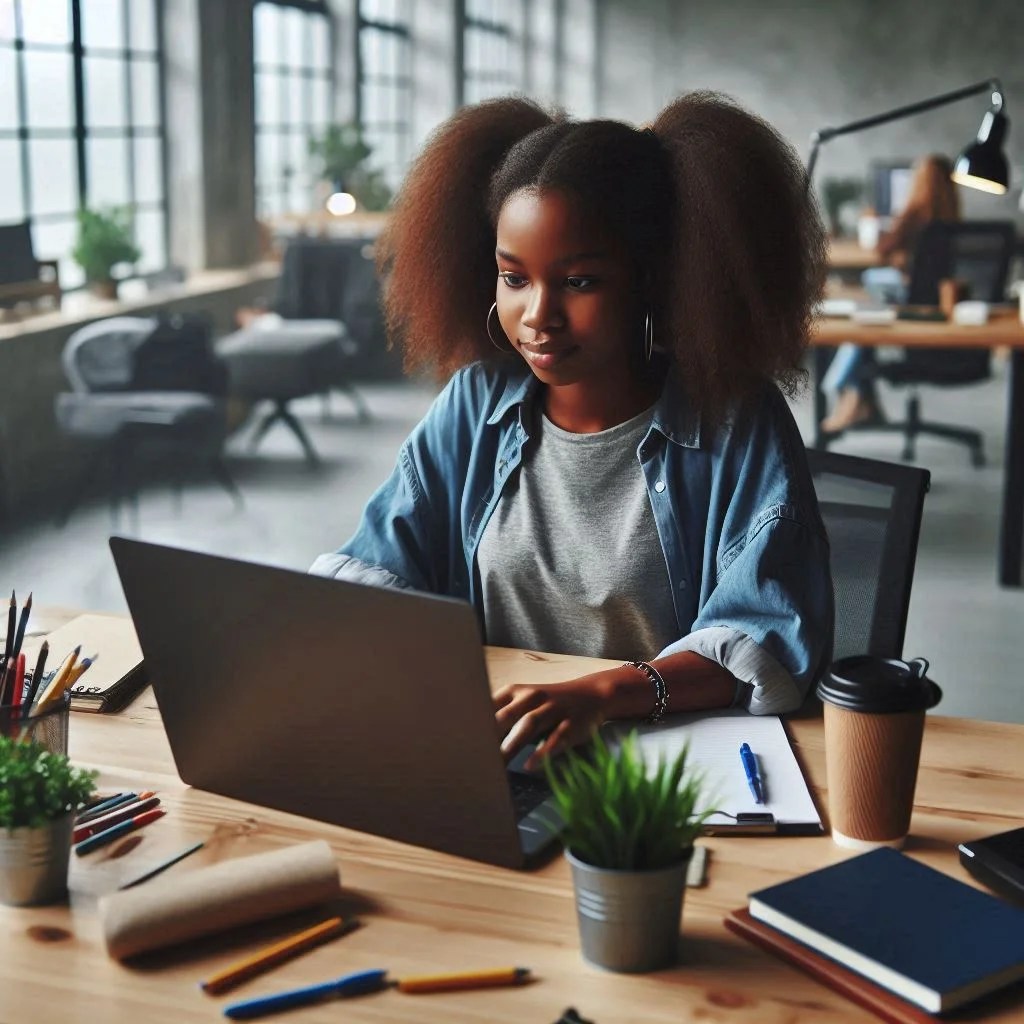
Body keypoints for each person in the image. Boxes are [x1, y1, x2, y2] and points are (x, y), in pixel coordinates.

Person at [311, 92, 833, 770]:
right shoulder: (476, 403)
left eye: (579, 281)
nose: (537, 316)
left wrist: (602, 694)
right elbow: (375, 570)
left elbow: (764, 636)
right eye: (514, 278)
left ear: (652, 281)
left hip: (667, 768)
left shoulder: (735, 419)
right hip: (504, 753)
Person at [821, 154, 961, 432]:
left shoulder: (914, 212)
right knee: (867, 307)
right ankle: (862, 399)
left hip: (909, 304)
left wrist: (873, 219)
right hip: (939, 306)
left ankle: (846, 391)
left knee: (864, 301)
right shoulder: (953, 215)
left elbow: (882, 248)